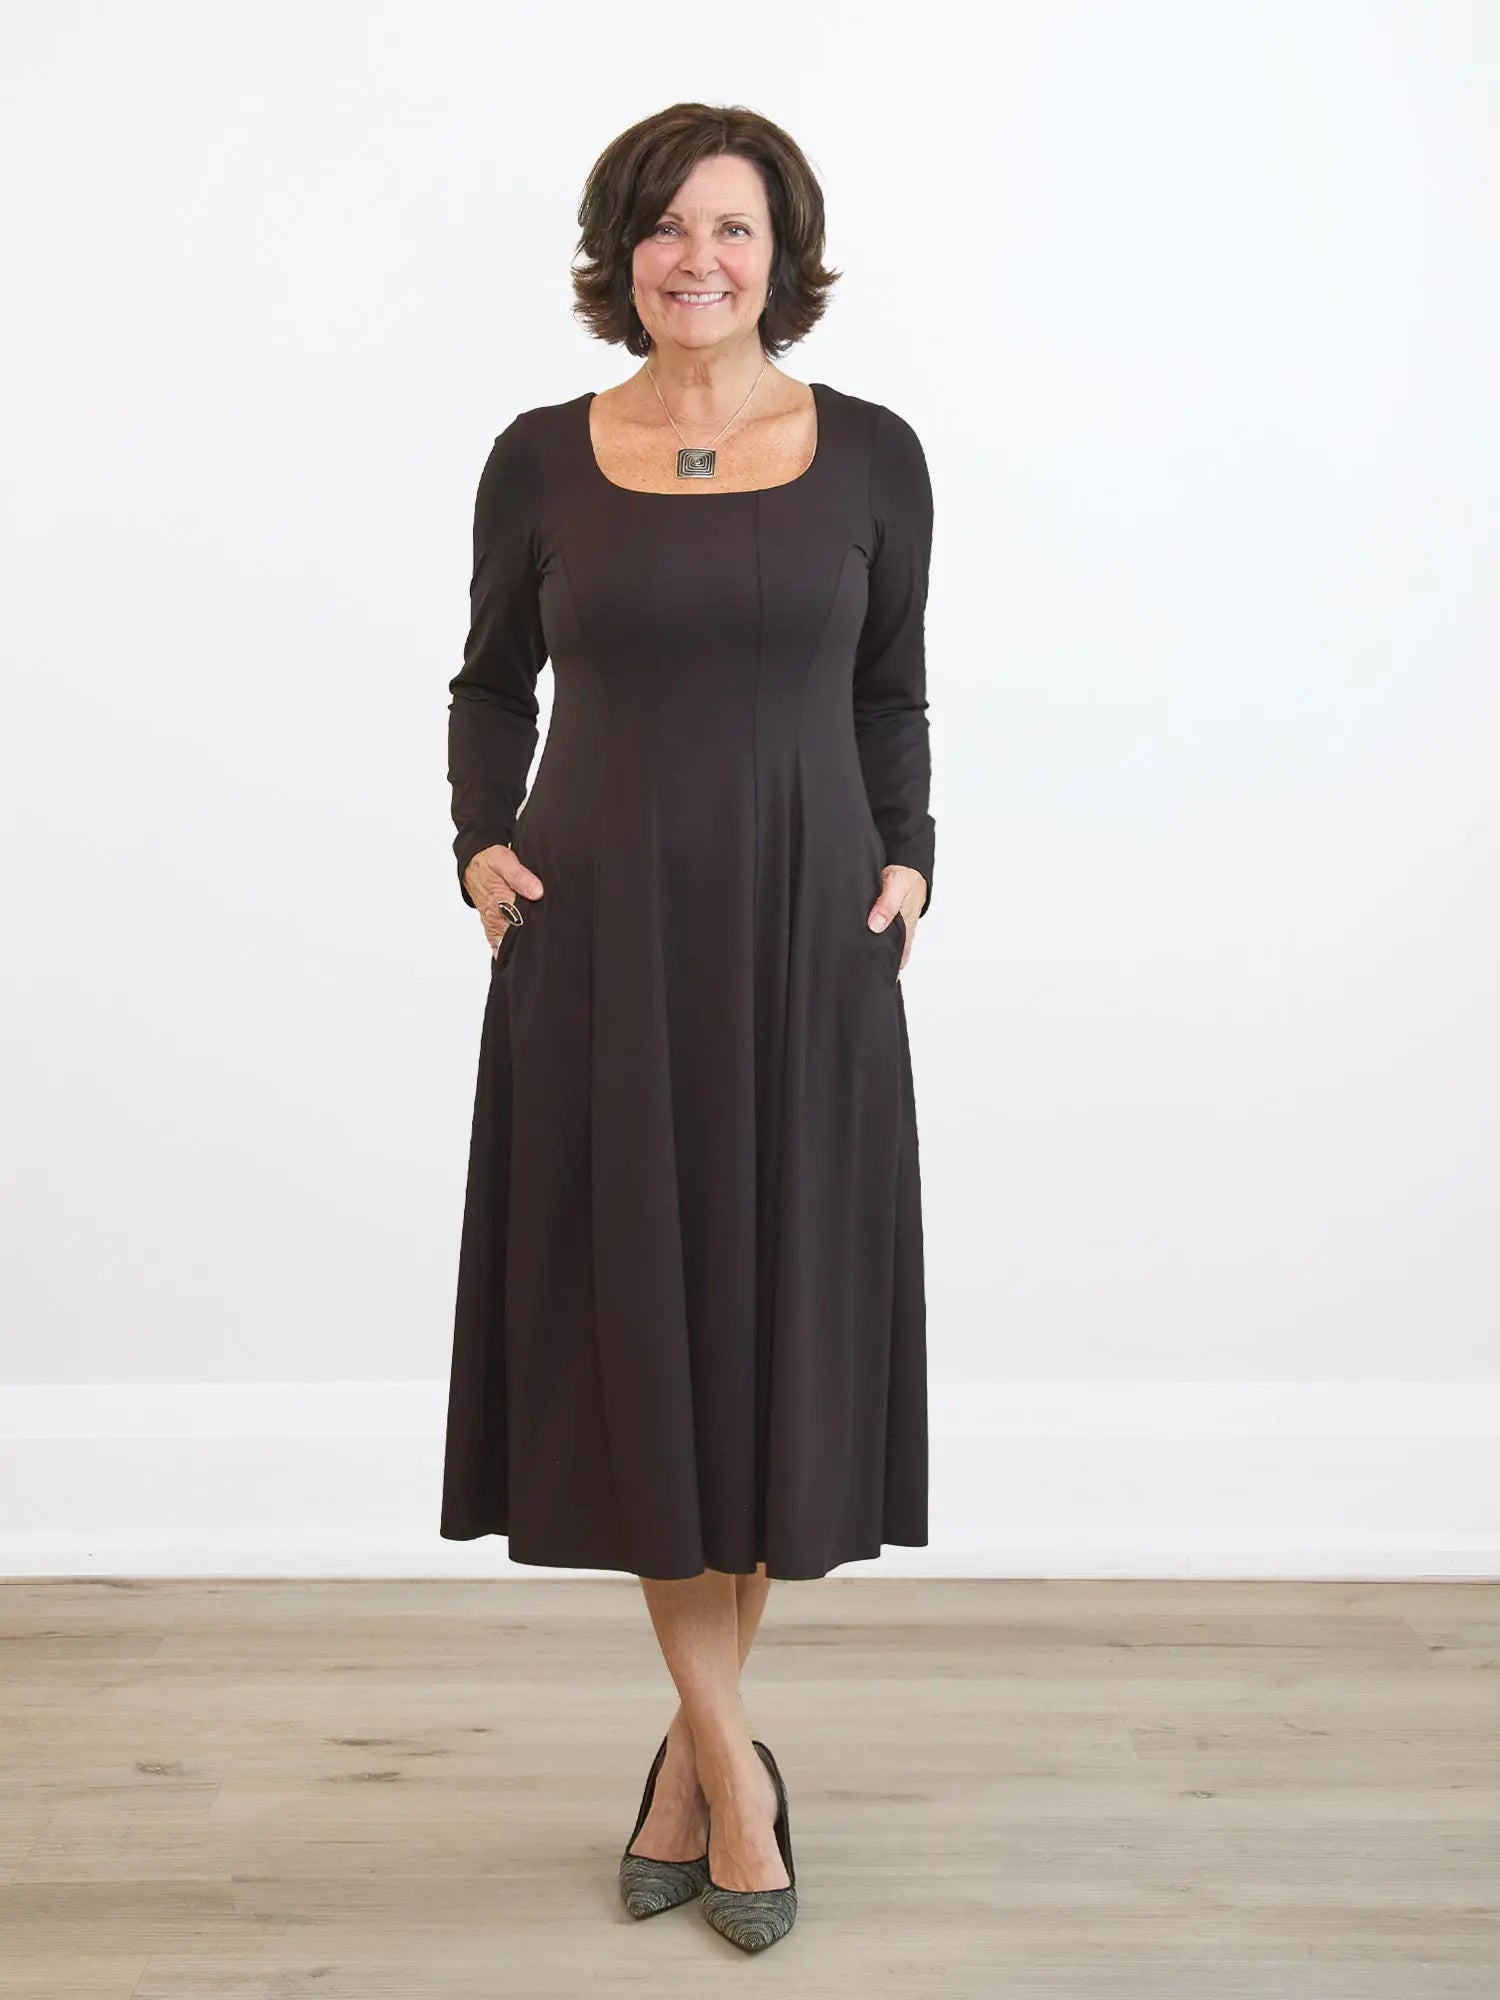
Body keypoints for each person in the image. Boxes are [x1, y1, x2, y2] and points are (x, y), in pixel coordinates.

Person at [439, 102, 936, 1952]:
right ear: (621, 252)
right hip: (601, 951)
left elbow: (892, 693)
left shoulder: (876, 457)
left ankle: (685, 1761)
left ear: (782, 250)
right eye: (663, 227)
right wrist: (480, 841)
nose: (696, 259)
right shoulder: (541, 459)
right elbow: (494, 676)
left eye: (731, 229)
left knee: (761, 1353)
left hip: (810, 948)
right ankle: (735, 1774)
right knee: (642, 1340)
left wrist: (912, 861)